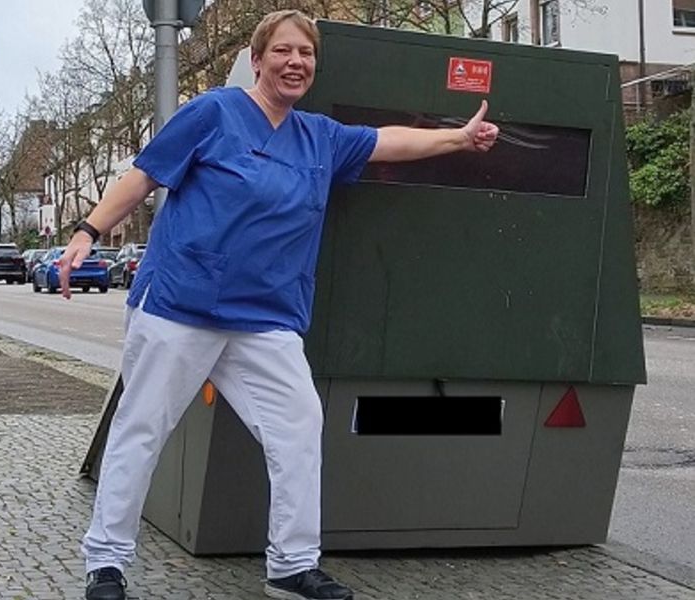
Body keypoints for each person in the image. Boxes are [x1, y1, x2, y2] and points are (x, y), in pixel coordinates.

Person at [61, 10, 499, 600]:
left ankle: (292, 565)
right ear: (258, 58)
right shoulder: (213, 112)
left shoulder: (320, 137)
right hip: (182, 304)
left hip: (265, 317)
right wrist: (87, 231)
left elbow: (388, 141)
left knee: (298, 426)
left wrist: (459, 138)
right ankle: (106, 563)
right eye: (284, 51)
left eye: (306, 54)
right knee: (142, 428)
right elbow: (143, 176)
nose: (296, 62)